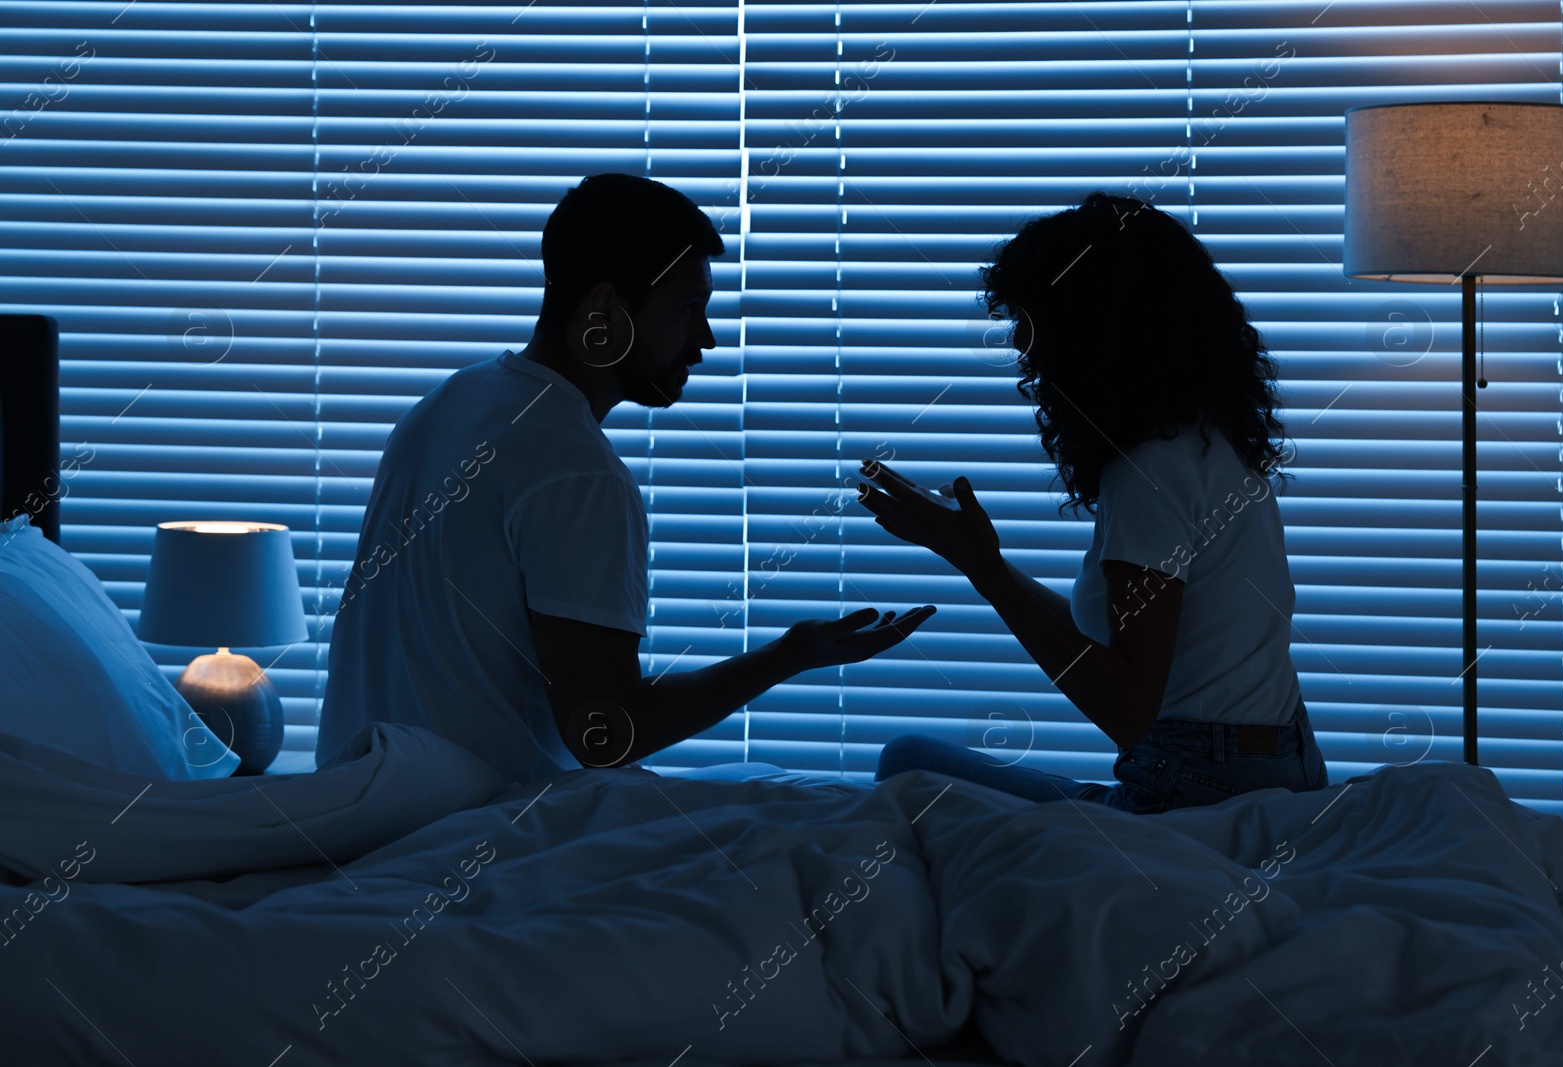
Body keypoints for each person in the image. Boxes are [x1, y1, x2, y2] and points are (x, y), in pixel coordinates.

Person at [316, 173, 934, 782]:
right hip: (474, 835)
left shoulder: (450, 403)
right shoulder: (576, 472)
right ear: (606, 308)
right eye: (689, 309)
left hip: (370, 806)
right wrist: (787, 657)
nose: (706, 339)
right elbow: (604, 735)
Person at [859, 191, 1329, 813]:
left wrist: (987, 575)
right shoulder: (1207, 440)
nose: (1026, 356)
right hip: (1277, 767)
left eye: (1032, 329)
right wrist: (982, 563)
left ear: (1088, 334)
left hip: (1198, 790)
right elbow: (1131, 654)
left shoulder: (1148, 474)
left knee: (906, 762)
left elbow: (1128, 710)